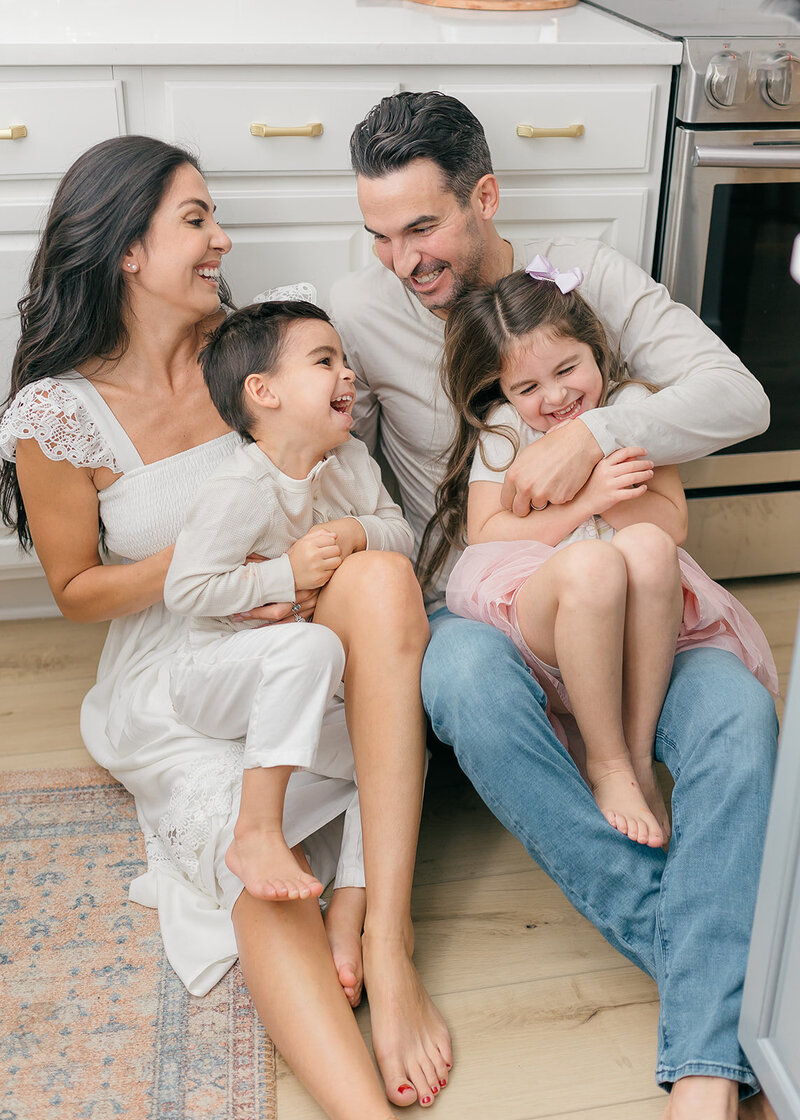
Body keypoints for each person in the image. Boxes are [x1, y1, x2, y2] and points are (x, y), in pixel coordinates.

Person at [329, 90, 779, 1119]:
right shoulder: (358, 313)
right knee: (462, 685)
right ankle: (723, 1004)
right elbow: (335, 466)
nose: (404, 261)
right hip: (483, 611)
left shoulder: (587, 278)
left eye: (423, 227)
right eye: (380, 235)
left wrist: (598, 428)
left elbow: (738, 400)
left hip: (634, 590)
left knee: (736, 722)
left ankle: (704, 1043)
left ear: (482, 197)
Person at [0, 135, 451, 1120]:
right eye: (195, 219)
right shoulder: (59, 413)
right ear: (126, 249)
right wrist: (230, 566)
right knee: (260, 871)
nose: (221, 238)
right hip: (179, 670)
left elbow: (342, 480)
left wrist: (316, 548)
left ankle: (384, 934)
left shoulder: (264, 351)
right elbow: (76, 588)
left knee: (378, 579)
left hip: (302, 625)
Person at [419, 261, 778, 850]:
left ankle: (636, 758)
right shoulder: (506, 428)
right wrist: (588, 495)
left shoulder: (629, 407)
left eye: (567, 369)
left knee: (645, 546)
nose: (556, 398)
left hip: (638, 616)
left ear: (595, 348)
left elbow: (671, 522)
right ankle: (605, 763)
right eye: (528, 387)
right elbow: (487, 530)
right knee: (593, 564)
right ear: (504, 392)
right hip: (543, 605)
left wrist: (610, 499)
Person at [163, 298, 414, 913]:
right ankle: (257, 829)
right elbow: (185, 591)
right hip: (219, 675)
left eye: (346, 360)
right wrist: (285, 574)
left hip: (303, 682)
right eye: (325, 361)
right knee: (313, 643)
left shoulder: (351, 461)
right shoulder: (241, 487)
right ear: (263, 392)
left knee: (391, 749)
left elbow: (400, 535)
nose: (347, 374)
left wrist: (359, 533)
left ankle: (354, 905)